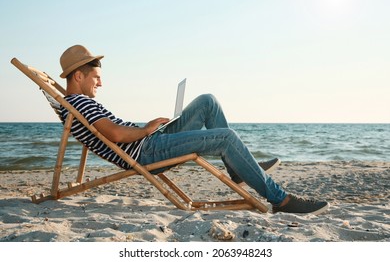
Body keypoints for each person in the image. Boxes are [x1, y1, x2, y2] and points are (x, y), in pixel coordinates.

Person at [58, 44, 329, 215]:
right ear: (78, 76)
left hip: (151, 142)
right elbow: (114, 135)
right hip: (147, 152)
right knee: (226, 137)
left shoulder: (77, 103)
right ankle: (281, 200)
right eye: (96, 78)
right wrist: (145, 130)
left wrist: (150, 129)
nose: (100, 85)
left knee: (207, 102)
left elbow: (110, 133)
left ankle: (236, 169)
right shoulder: (78, 103)